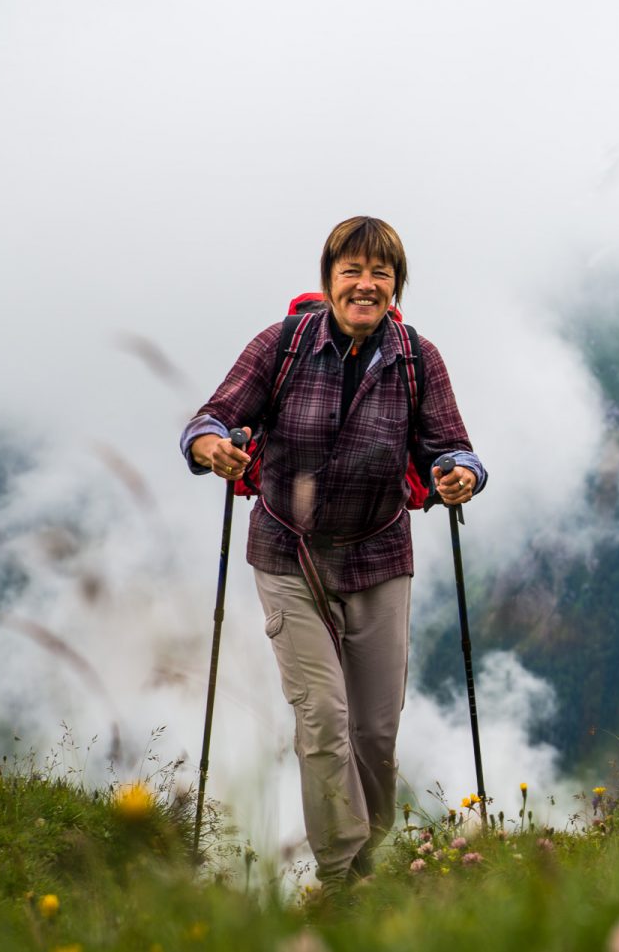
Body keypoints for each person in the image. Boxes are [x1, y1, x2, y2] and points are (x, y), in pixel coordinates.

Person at [180, 216, 486, 892]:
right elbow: (210, 417)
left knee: (375, 731)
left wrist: (461, 473)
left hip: (379, 558)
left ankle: (369, 855)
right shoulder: (281, 345)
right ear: (329, 281)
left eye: (380, 273)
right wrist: (212, 448)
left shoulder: (416, 358)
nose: (365, 284)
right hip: (288, 557)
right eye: (352, 270)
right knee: (325, 718)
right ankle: (343, 879)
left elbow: (451, 447)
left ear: (395, 287)